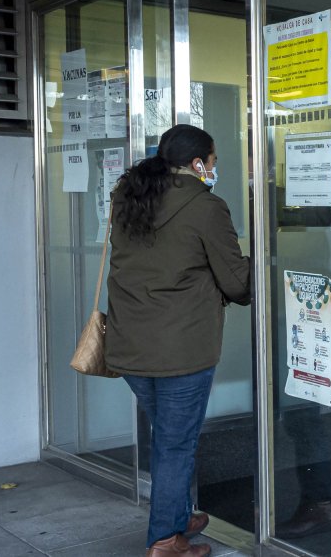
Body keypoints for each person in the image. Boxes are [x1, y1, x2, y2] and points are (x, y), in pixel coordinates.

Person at [106, 124, 251, 557]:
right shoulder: (206, 207)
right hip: (181, 349)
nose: (214, 169)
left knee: (169, 436)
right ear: (196, 163)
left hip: (130, 344)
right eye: (213, 161)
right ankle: (167, 541)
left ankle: (178, 514)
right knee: (175, 443)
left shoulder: (128, 196)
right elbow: (237, 283)